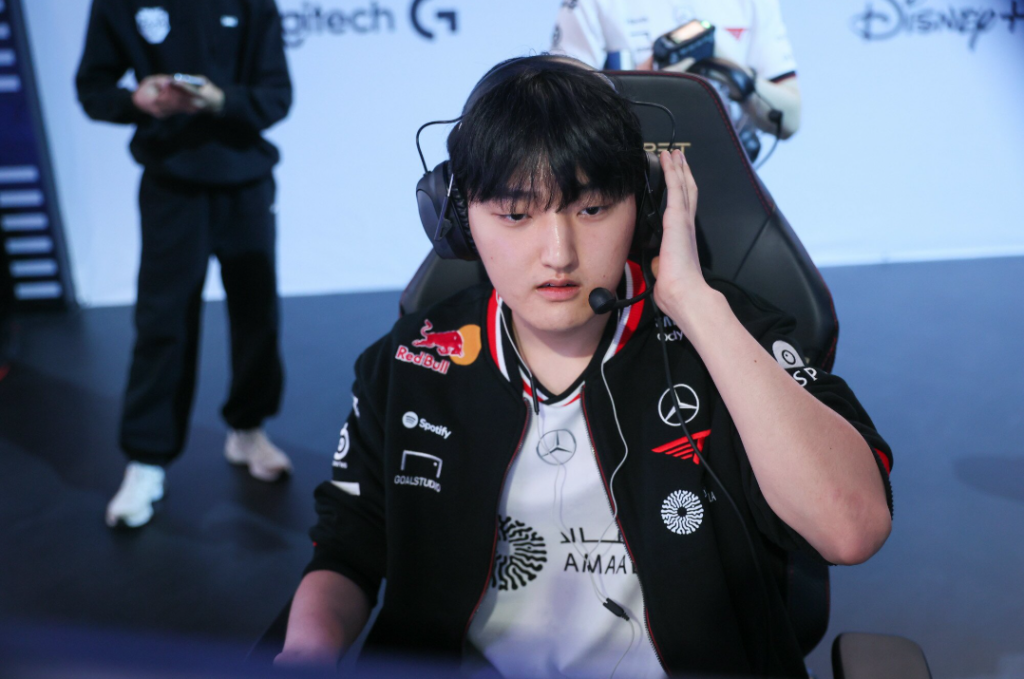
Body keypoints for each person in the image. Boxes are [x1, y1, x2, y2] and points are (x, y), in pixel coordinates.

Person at [277, 56, 892, 677]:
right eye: (516, 215)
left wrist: (696, 305)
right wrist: (305, 651)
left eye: (592, 208)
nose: (558, 254)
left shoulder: (727, 340)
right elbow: (347, 552)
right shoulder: (414, 361)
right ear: (458, 219)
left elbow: (852, 530)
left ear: (645, 207)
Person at [75, 0, 293, 528]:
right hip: (170, 183)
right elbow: (92, 89)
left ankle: (248, 429)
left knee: (256, 313)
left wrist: (221, 100)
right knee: (163, 322)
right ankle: (147, 460)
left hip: (244, 181)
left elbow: (276, 96)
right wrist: (136, 100)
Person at [551, 0, 802, 141]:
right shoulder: (590, 4)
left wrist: (726, 68)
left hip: (728, 180)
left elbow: (790, 119)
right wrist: (649, 80)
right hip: (630, 182)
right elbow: (560, 114)